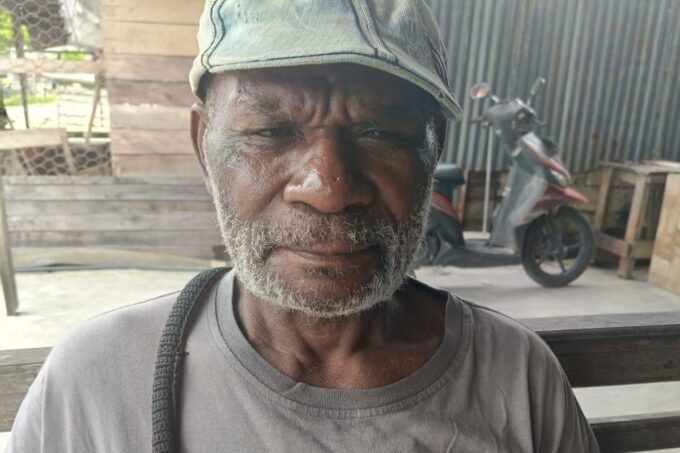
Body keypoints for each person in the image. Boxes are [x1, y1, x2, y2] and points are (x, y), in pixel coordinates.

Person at [7, 1, 599, 452]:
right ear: (204, 146)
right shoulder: (95, 381)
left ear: (432, 150)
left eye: (380, 133)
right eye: (270, 132)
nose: (330, 190)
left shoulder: (516, 377)